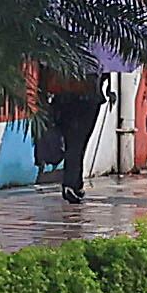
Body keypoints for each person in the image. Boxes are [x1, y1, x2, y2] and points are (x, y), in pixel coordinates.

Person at [39, 67, 108, 203]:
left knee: (73, 143)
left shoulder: (62, 49)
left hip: (62, 98)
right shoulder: (97, 54)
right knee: (78, 143)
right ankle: (71, 183)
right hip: (87, 100)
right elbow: (103, 75)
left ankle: (76, 182)